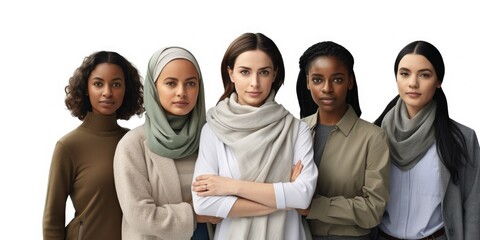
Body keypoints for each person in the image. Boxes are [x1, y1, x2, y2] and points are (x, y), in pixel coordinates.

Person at [191, 32, 318, 240]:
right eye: (245, 72)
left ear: (275, 74)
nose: (255, 83)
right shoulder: (213, 129)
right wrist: (283, 202)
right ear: (230, 73)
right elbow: (203, 203)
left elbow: (303, 196)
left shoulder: (296, 129)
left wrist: (231, 187)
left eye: (264, 72)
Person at [373, 40, 480, 240]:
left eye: (424, 75)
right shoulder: (374, 133)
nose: (413, 83)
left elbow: (473, 205)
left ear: (438, 81)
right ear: (396, 78)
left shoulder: (462, 139)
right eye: (405, 73)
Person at [113, 46, 221, 240]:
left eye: (190, 83)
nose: (182, 92)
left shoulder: (211, 137)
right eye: (171, 83)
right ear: (154, 88)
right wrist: (194, 214)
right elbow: (139, 215)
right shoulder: (133, 145)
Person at [43, 51, 144, 239]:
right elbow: (52, 219)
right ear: (86, 88)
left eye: (116, 84)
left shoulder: (134, 142)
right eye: (98, 84)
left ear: (126, 90)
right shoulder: (68, 146)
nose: (107, 92)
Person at [295, 41, 390, 240]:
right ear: (307, 82)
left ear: (350, 81)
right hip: (296, 234)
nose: (327, 88)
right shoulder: (295, 130)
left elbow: (373, 209)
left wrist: (313, 206)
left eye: (337, 79)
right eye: (318, 80)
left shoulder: (373, 138)